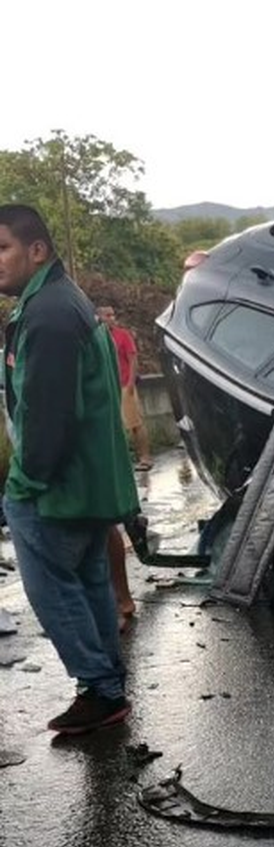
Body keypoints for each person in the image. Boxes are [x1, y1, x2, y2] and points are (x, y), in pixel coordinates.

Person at [0, 204, 140, 735]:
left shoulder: (50, 314)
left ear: (37, 250)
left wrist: (25, 484)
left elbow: (48, 412)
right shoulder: (62, 300)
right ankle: (107, 685)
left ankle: (100, 689)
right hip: (85, 485)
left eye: (3, 248)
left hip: (56, 489)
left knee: (55, 593)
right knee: (89, 586)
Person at [97, 305, 153, 471]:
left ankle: (145, 457)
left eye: (113, 315)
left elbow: (133, 359)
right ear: (100, 318)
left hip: (124, 385)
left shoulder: (123, 335)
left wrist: (130, 383)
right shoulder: (99, 338)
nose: (112, 318)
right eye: (108, 315)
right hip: (110, 386)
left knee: (135, 423)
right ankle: (125, 461)